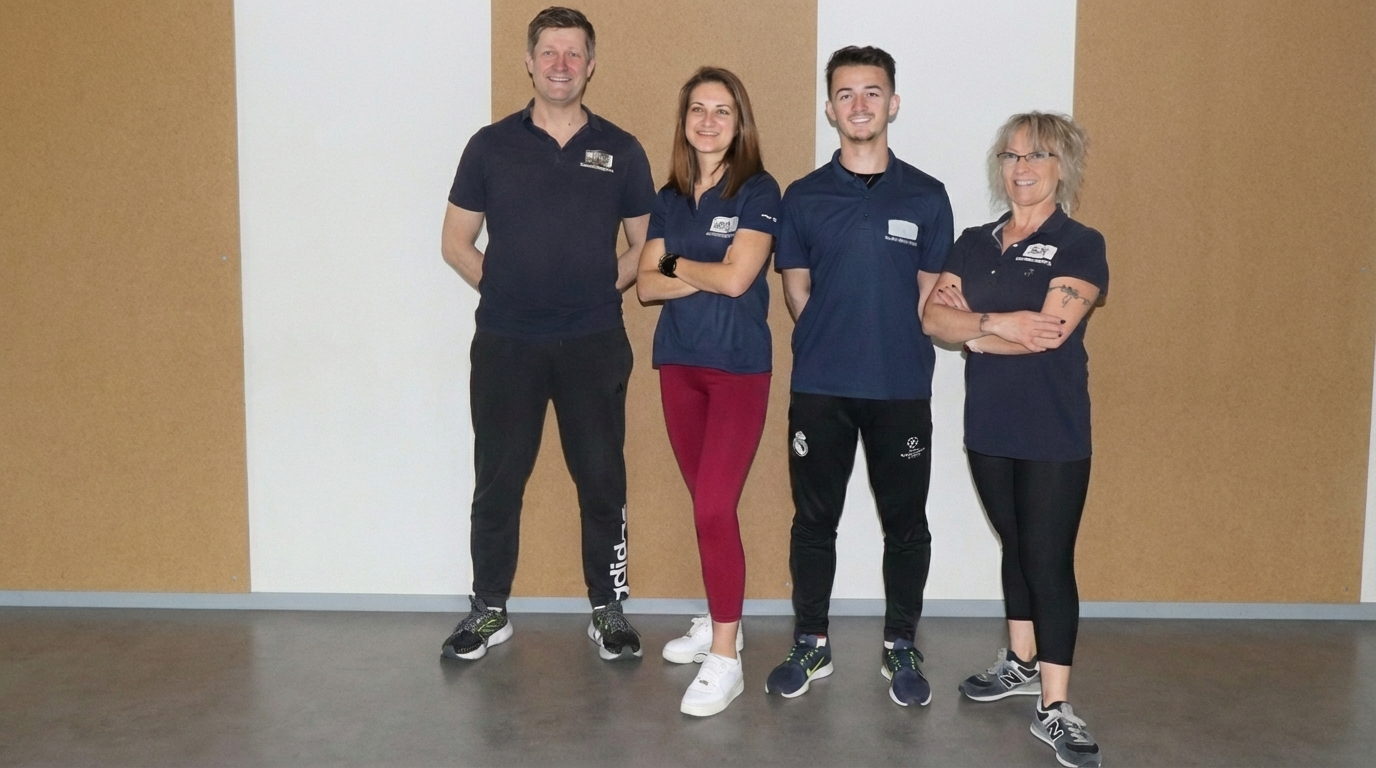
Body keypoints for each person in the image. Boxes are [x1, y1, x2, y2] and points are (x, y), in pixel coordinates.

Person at [438, 6, 655, 663]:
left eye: (574, 53)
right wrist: (506, 290)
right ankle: (489, 609)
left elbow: (647, 248)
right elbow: (455, 242)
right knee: (497, 481)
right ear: (529, 63)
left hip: (593, 340)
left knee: (602, 480)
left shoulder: (622, 149)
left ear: (590, 66)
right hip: (507, 342)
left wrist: (600, 287)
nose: (562, 64)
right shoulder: (489, 146)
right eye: (550, 52)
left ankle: (607, 608)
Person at [766, 46, 953, 708]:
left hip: (901, 388)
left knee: (906, 524)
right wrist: (835, 338)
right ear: (830, 109)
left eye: (872, 92)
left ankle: (900, 643)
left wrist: (884, 340)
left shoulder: (927, 196)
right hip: (821, 388)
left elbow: (929, 297)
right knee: (814, 521)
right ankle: (811, 641)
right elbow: (796, 289)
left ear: (892, 103)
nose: (860, 104)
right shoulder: (803, 196)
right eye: (846, 94)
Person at [922, 111, 1107, 768]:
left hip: (1053, 427)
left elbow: (1049, 333)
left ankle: (1055, 705)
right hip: (989, 426)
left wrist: (970, 330)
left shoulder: (1080, 243)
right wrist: (995, 325)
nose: (1022, 167)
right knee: (1016, 545)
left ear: (1063, 166)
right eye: (1011, 155)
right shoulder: (974, 242)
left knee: (1047, 559)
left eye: (1037, 155)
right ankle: (1022, 662)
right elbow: (932, 318)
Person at [636, 67, 780, 717]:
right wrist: (702, 270)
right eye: (698, 108)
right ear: (684, 119)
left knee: (715, 507)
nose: (709, 121)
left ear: (739, 121)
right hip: (679, 367)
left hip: (738, 369)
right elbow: (646, 286)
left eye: (723, 110)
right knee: (705, 506)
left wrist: (675, 263)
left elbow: (738, 279)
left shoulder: (759, 190)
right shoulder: (668, 197)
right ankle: (726, 620)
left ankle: (726, 658)